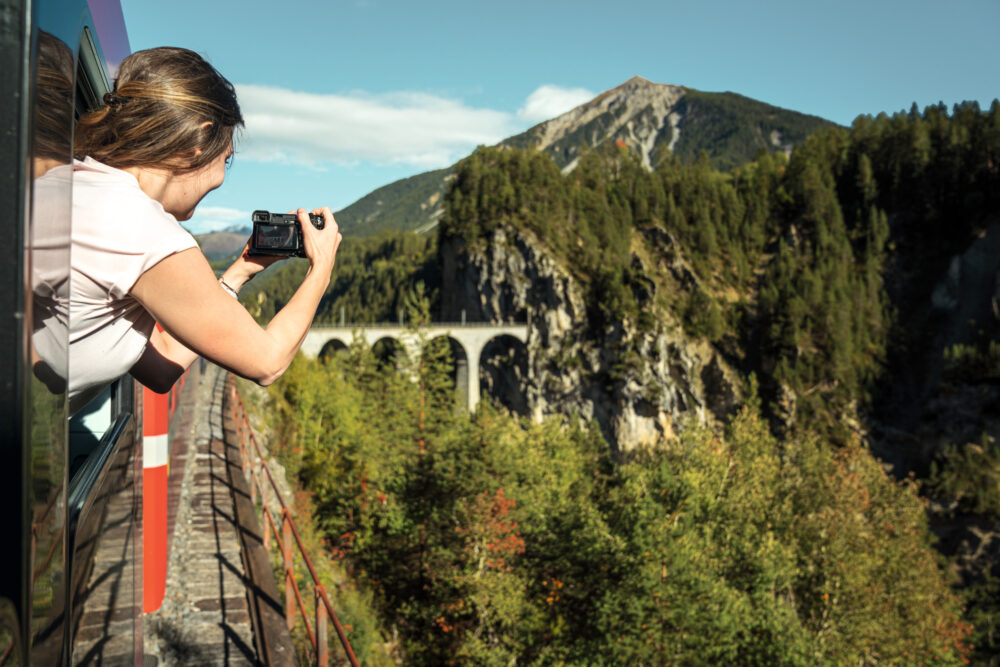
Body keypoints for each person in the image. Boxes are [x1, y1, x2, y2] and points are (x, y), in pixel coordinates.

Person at [54, 46, 342, 413]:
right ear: (197, 143)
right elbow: (268, 363)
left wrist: (238, 274)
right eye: (226, 160)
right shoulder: (140, 229)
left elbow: (161, 367)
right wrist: (323, 267)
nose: (221, 178)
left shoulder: (77, 189)